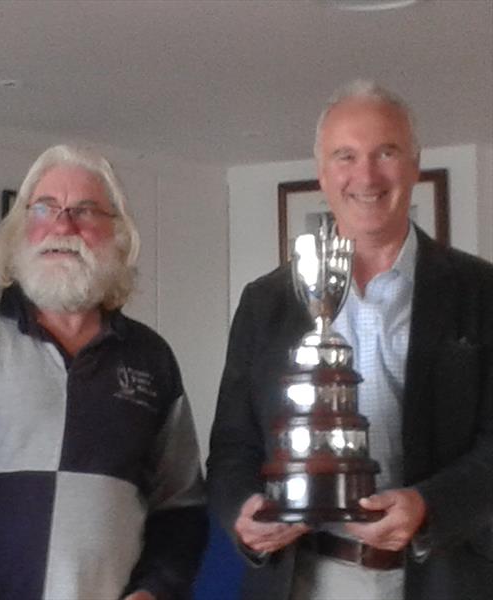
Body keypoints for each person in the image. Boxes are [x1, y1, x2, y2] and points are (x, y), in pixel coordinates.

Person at [207, 79, 493, 600]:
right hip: (304, 579)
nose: (366, 175)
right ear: (322, 172)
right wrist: (243, 515)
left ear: (413, 163)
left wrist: (430, 506)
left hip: (444, 576)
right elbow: (232, 444)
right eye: (345, 156)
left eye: (386, 152)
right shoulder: (266, 301)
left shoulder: (482, 291)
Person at [0, 144, 208, 600]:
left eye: (85, 211)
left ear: (118, 234)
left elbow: (181, 507)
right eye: (45, 208)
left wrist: (154, 593)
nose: (63, 226)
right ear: (21, 225)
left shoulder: (150, 356)